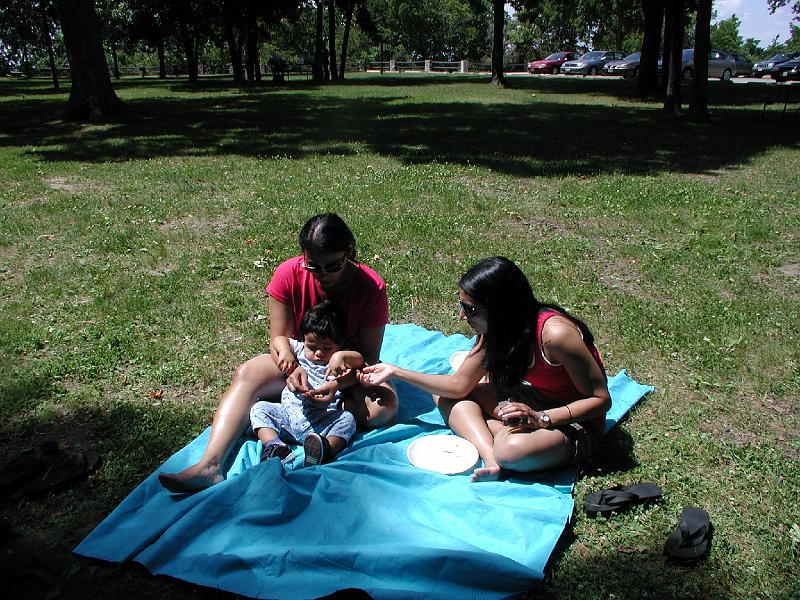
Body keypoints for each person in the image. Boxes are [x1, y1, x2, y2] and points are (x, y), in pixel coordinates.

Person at [159, 213, 397, 492]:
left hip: (346, 373)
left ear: (349, 252)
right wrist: (292, 369)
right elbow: (278, 339)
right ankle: (210, 465)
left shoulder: (370, 287)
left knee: (383, 408)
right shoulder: (288, 274)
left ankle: (327, 421)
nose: (323, 275)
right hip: (299, 363)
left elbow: (369, 357)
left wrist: (337, 383)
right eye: (313, 266)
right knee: (248, 372)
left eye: (333, 265)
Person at [359, 256, 610, 482]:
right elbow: (458, 385)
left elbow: (600, 400)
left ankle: (503, 439)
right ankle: (491, 457)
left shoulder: (555, 335)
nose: (461, 316)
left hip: (574, 420)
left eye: (470, 309)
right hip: (532, 400)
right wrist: (395, 371)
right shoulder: (496, 331)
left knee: (512, 451)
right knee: (443, 394)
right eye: (461, 305)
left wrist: (541, 418)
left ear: (500, 309)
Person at [250, 300, 363, 467]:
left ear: (340, 345)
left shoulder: (338, 361)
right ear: (304, 340)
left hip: (321, 421)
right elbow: (278, 340)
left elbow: (359, 361)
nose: (318, 353)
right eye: (312, 346)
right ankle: (275, 445)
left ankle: (325, 449)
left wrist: (341, 357)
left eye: (327, 348)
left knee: (347, 419)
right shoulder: (301, 350)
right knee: (259, 408)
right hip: (287, 417)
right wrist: (286, 351)